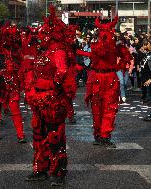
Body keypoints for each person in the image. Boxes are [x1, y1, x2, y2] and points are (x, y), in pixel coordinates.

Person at [25, 5, 74, 186]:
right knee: (38, 135)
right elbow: (32, 70)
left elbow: (62, 70)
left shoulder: (58, 51)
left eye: (44, 32)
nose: (41, 35)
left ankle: (58, 171)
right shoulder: (43, 52)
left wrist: (54, 86)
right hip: (39, 99)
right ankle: (40, 169)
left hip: (52, 100)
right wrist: (31, 87)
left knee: (54, 136)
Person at [77, 16, 120, 148]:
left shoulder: (110, 44)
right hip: (99, 78)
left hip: (105, 77)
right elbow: (94, 55)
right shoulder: (101, 44)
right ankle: (101, 135)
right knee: (101, 108)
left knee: (107, 108)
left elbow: (99, 54)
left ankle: (103, 135)